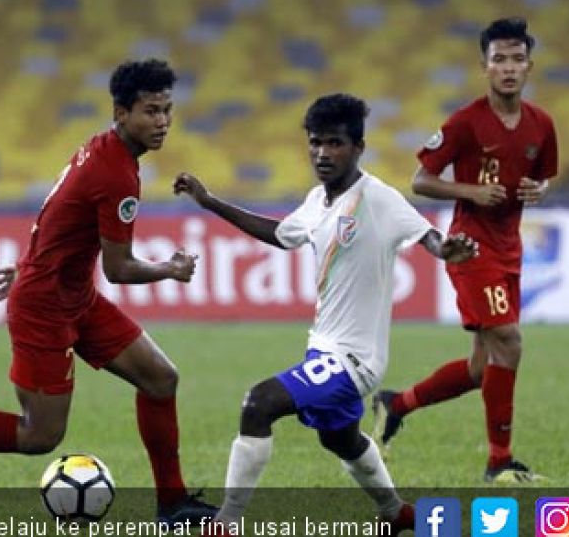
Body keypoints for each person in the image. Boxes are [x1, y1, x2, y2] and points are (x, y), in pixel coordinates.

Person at [0, 58, 216, 523]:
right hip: (44, 309)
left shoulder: (104, 150)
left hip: (74, 295)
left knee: (161, 378)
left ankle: (173, 504)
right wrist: (169, 269)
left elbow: (59, 213)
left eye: (166, 110)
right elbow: (118, 269)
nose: (162, 122)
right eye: (150, 111)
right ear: (121, 113)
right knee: (40, 436)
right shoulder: (115, 172)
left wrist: (30, 265)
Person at [174, 94, 477, 535]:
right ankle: (397, 513)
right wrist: (211, 202)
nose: (322, 153)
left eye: (334, 143)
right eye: (315, 143)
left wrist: (447, 249)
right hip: (323, 350)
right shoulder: (318, 200)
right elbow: (281, 234)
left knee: (258, 405)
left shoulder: (378, 198)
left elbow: (430, 238)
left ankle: (226, 523)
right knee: (341, 439)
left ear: (358, 147)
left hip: (355, 360)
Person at [372, 17, 558, 483]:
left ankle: (396, 404)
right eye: (500, 60)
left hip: (510, 247)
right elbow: (420, 179)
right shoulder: (466, 122)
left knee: (481, 367)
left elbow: (545, 176)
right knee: (510, 342)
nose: (509, 68)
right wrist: (472, 192)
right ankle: (500, 462)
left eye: (517, 59)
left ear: (529, 66)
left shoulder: (542, 124)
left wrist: (540, 189)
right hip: (471, 250)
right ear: (485, 66)